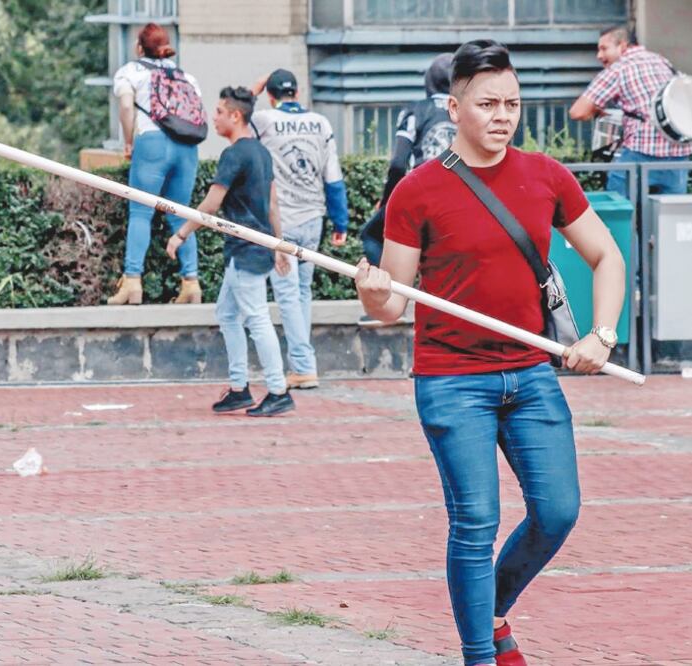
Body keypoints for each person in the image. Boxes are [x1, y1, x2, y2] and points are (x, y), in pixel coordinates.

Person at [355, 40, 625, 666]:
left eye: (512, 104)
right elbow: (392, 304)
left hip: (531, 374)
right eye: (486, 104)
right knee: (475, 523)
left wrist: (601, 334)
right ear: (454, 108)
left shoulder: (546, 176)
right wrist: (373, 293)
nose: (502, 115)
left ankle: (493, 610)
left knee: (558, 511)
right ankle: (480, 654)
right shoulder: (417, 192)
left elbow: (606, 256)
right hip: (451, 379)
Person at [167, 87, 295, 417]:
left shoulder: (235, 154)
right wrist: (278, 244)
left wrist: (181, 234)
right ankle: (240, 388)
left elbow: (212, 203)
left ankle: (278, 391)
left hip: (247, 249)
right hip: (256, 247)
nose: (214, 117)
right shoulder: (261, 152)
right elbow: (273, 203)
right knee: (227, 313)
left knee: (256, 318)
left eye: (220, 112)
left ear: (235, 116)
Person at [248, 68, 349, 390]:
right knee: (302, 293)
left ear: (271, 94)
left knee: (289, 296)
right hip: (313, 219)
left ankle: (304, 367)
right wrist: (341, 221)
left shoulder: (264, 119)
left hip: (283, 220)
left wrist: (253, 91)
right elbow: (333, 176)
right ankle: (303, 364)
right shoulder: (320, 123)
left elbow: (237, 119)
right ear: (298, 93)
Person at [108, 23, 202, 306]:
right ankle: (191, 283)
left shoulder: (131, 71)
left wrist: (128, 141)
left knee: (140, 212)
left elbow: (126, 106)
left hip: (152, 143)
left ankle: (132, 283)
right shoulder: (186, 76)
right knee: (181, 214)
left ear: (139, 47)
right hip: (187, 147)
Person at [569, 26, 691, 196]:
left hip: (642, 150)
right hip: (679, 153)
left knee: (619, 206)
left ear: (623, 46)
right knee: (670, 216)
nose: (599, 56)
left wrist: (597, 111)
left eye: (604, 49)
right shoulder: (662, 61)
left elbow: (578, 112)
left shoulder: (619, 68)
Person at [361, 53, 455, 266]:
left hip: (424, 196)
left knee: (371, 236)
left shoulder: (415, 111)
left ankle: (390, 290)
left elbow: (397, 164)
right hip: (464, 198)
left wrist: (386, 202)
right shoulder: (469, 111)